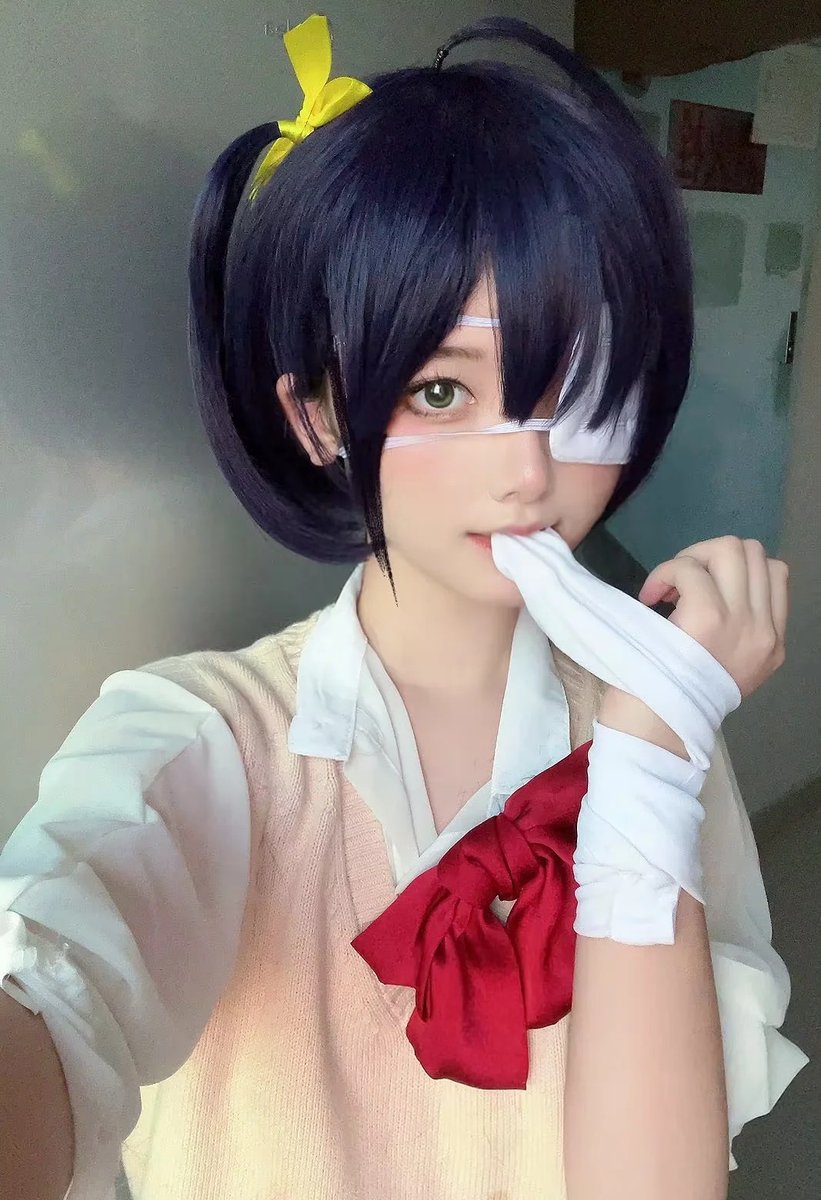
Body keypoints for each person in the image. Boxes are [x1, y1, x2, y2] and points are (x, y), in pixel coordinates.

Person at [0, 14, 808, 1200]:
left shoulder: (659, 722)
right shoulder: (197, 741)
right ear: (319, 417)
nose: (525, 471)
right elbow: (54, 977)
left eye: (581, 388)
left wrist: (647, 756)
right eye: (440, 391)